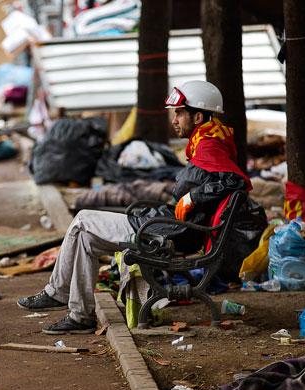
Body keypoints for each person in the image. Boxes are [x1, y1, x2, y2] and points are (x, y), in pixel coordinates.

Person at [17, 80, 253, 335]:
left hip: (172, 232)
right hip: (172, 226)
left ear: (197, 116)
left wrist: (193, 197)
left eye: (180, 112)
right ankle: (79, 314)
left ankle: (57, 293)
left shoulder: (209, 146)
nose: (175, 119)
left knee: (83, 218)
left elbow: (236, 180)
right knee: (86, 239)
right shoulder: (209, 139)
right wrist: (191, 197)